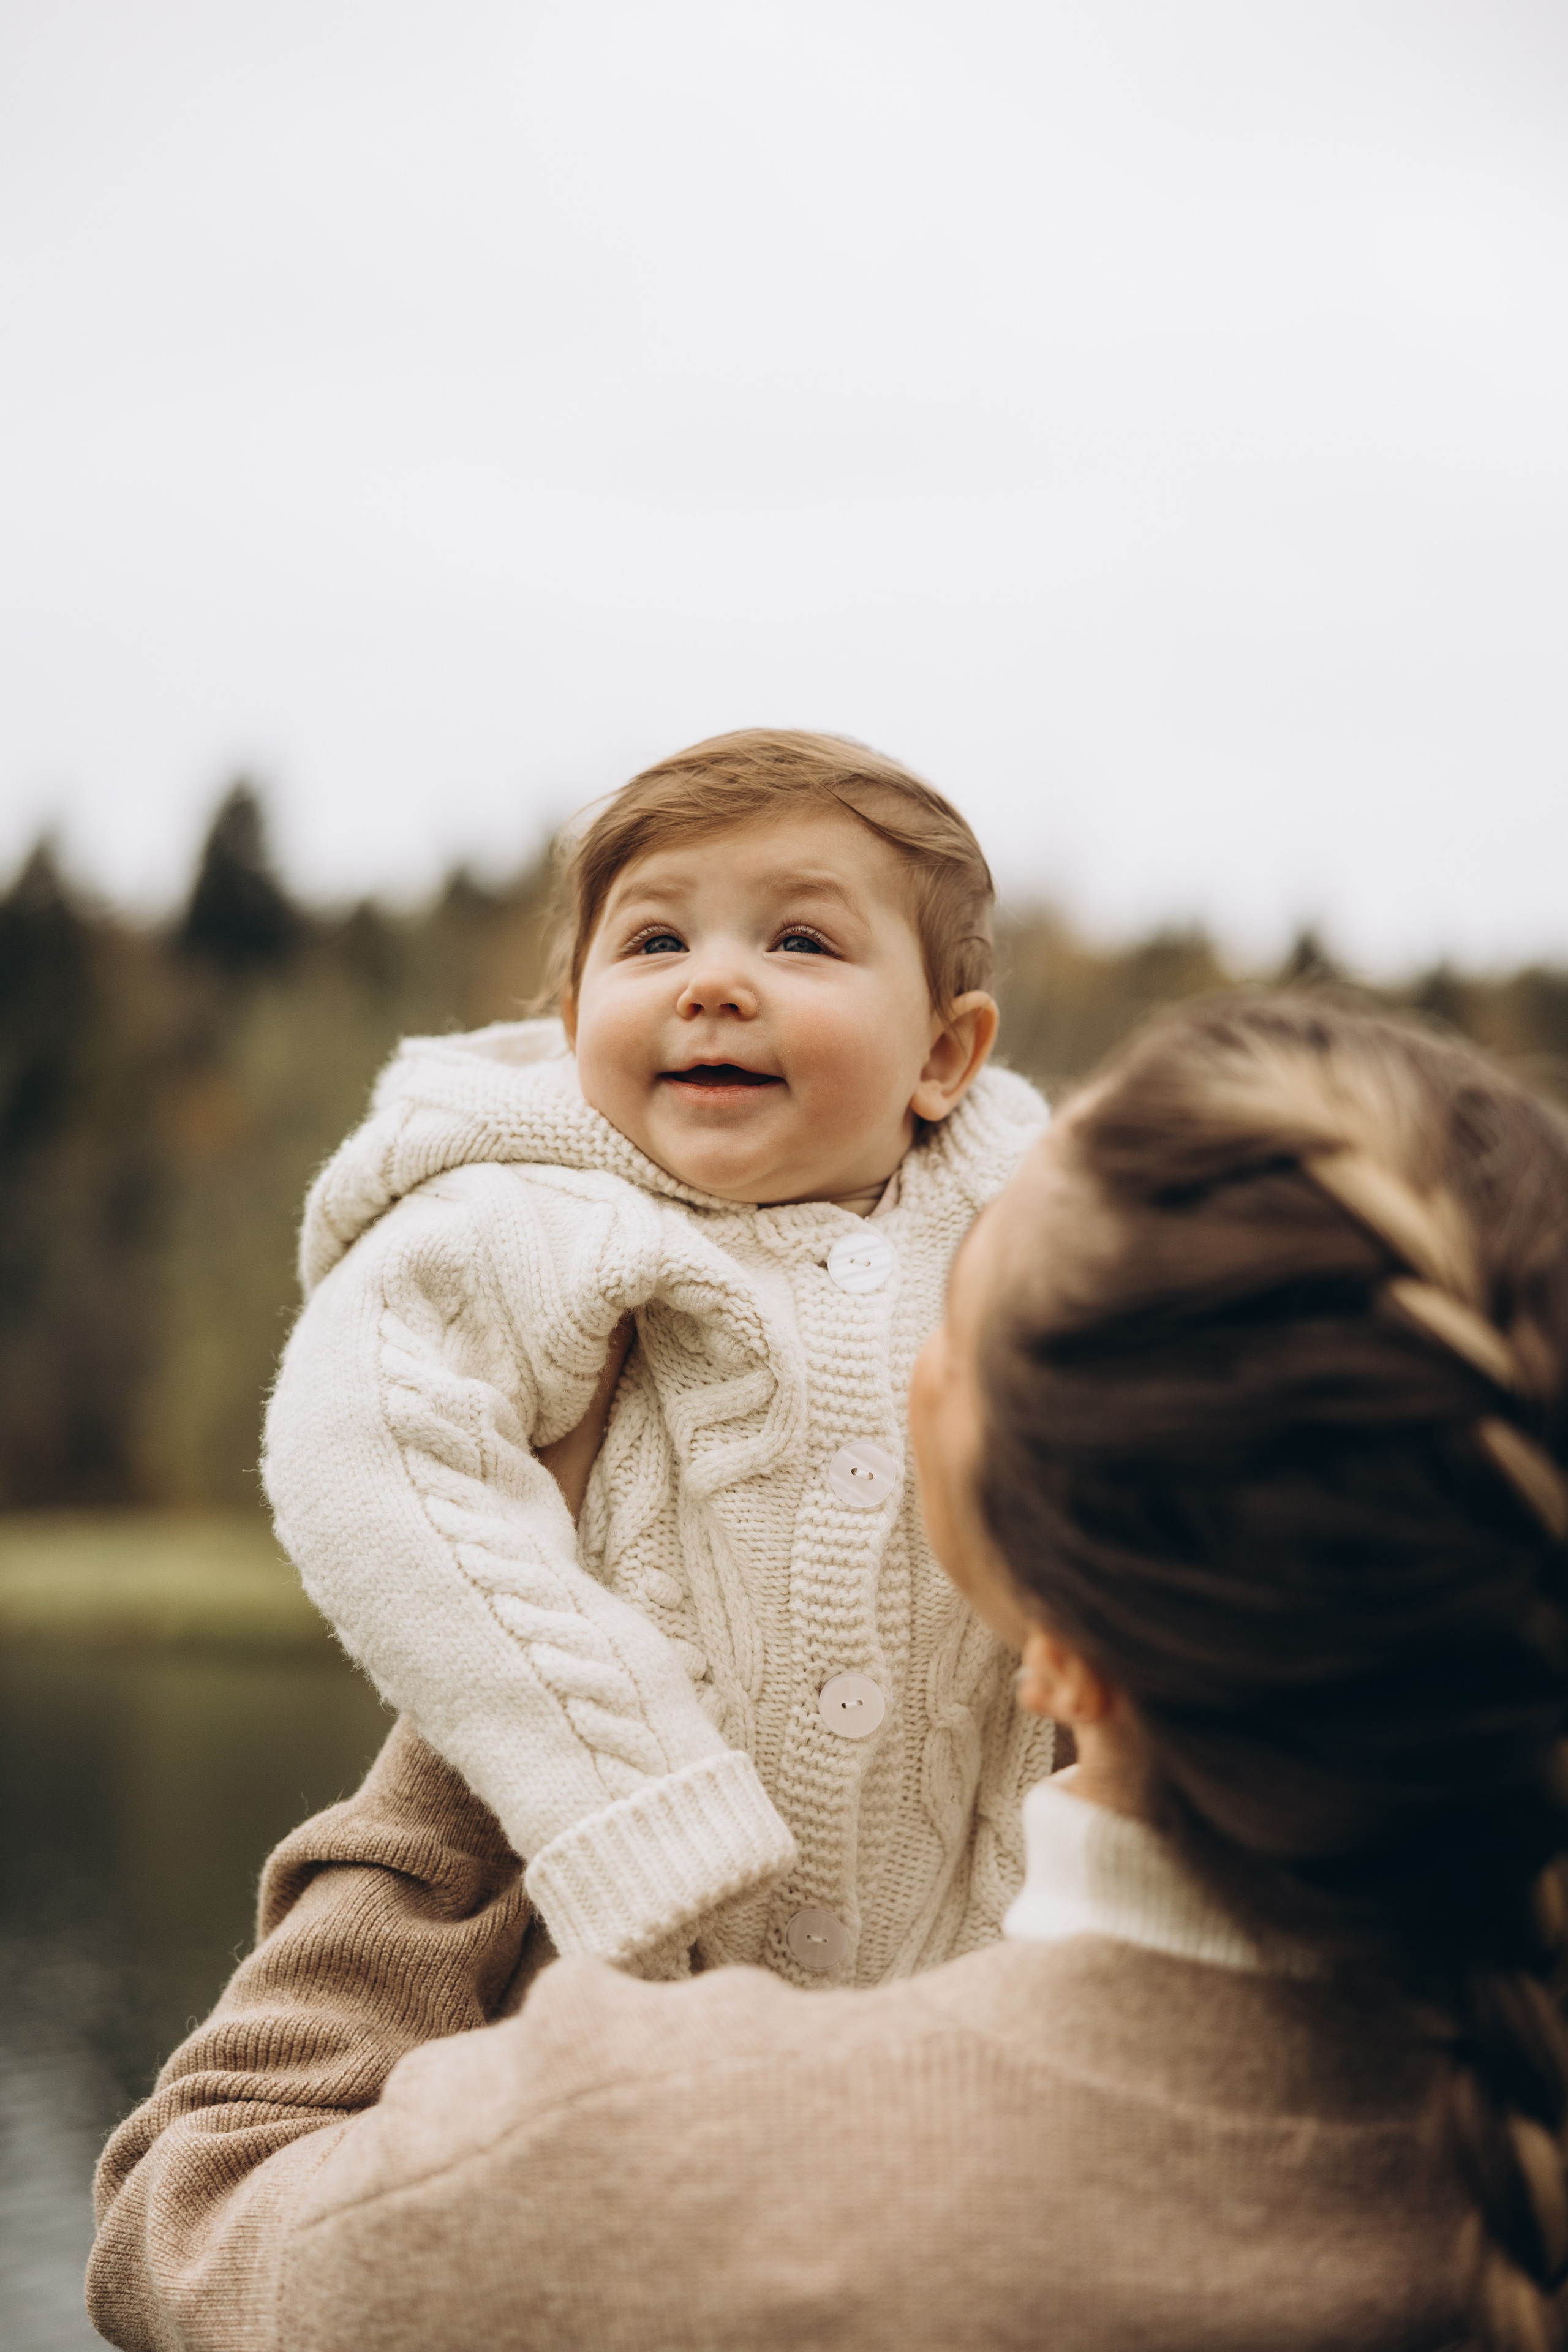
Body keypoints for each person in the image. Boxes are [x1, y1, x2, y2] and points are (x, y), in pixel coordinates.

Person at [91, 993, 1568, 2351]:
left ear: (1060, 1635)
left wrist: (512, 1635)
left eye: (961, 1287)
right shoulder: (1501, 2162)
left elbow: (198, 2212)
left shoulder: (658, 2158)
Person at [263, 728, 1054, 1988]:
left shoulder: (1035, 1230)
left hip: (979, 1977)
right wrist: (620, 1787)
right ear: (576, 1024)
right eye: (654, 943)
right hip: (614, 1973)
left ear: (942, 1057)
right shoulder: (525, 1213)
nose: (714, 984)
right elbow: (359, 1443)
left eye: (798, 942)